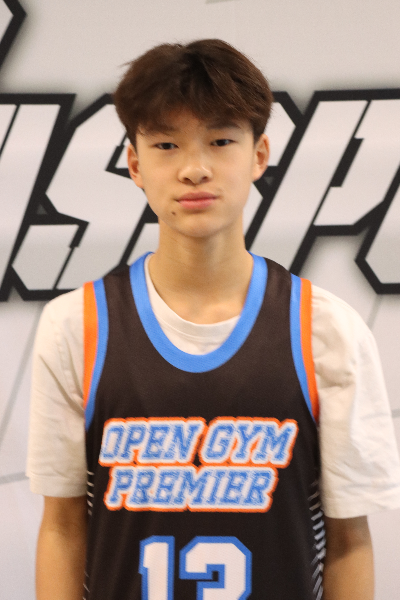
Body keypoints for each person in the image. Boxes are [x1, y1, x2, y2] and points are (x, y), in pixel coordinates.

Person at [27, 39, 400, 600]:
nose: (195, 169)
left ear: (259, 155)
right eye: (167, 144)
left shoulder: (326, 330)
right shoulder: (76, 326)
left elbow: (349, 541)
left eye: (221, 141)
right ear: (135, 163)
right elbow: (61, 527)